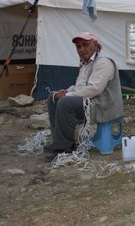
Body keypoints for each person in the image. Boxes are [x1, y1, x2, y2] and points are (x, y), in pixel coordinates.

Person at [45, 32, 124, 161]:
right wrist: (64, 92)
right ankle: (59, 142)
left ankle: (64, 149)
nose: (82, 49)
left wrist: (67, 96)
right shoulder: (85, 64)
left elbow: (94, 89)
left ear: (96, 45)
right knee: (52, 98)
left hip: (103, 106)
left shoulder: (103, 63)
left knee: (65, 103)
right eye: (78, 46)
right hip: (91, 102)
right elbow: (80, 87)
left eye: (85, 45)